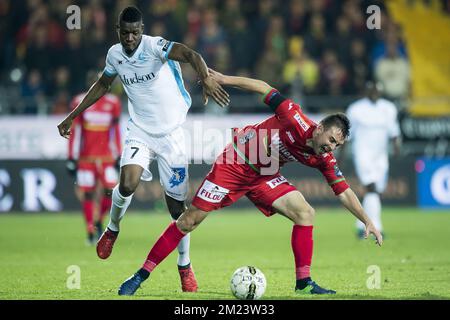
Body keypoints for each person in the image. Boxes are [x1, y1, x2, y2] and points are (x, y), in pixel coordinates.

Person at [116, 69, 383, 296]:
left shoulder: (324, 159)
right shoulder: (294, 116)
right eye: (332, 140)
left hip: (264, 174)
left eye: (337, 145)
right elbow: (264, 87)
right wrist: (223, 79)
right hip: (235, 162)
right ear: (319, 128)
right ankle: (141, 276)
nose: (331, 148)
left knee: (305, 213)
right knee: (188, 221)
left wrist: (366, 219)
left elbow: (343, 191)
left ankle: (303, 283)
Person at [57, 6, 230, 293]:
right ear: (118, 32)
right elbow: (102, 84)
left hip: (172, 135)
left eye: (135, 33)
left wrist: (206, 78)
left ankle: (184, 265)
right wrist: (72, 115)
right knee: (127, 182)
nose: (130, 39)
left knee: (178, 208)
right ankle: (112, 229)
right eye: (125, 33)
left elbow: (191, 55)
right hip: (140, 131)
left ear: (142, 30)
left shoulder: (154, 46)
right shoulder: (114, 54)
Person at [66, 71, 122, 245]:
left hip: (106, 157)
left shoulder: (113, 103)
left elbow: (115, 132)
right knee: (88, 194)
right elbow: (76, 132)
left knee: (111, 192)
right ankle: (90, 230)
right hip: (86, 158)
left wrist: (118, 154)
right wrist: (71, 157)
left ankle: (98, 220)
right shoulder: (79, 102)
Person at [344, 81, 401, 238]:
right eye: (372, 90)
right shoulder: (356, 109)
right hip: (363, 154)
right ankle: (376, 227)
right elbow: (348, 135)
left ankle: (361, 226)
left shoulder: (389, 108)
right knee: (372, 188)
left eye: (377, 90)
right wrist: (340, 156)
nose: (375, 93)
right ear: (366, 91)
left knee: (375, 193)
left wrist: (396, 150)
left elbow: (394, 132)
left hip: (381, 156)